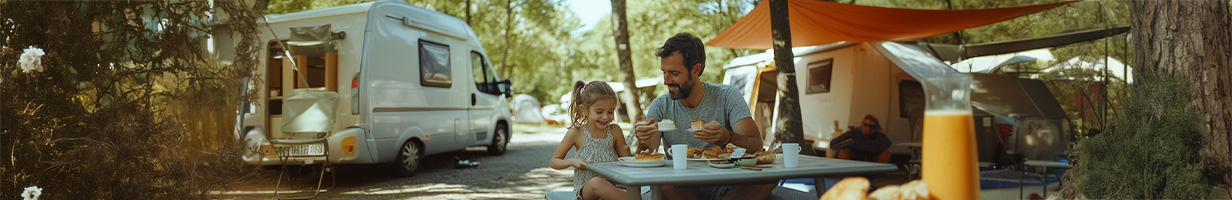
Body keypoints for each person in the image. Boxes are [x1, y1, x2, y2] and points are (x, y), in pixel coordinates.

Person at [632, 32, 774, 200]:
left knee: (768, 179)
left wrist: (727, 137)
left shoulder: (727, 96)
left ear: (696, 70)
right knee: (661, 184)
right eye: (664, 72)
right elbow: (649, 156)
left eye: (674, 73)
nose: (666, 81)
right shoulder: (661, 105)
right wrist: (642, 141)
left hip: (725, 181)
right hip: (680, 185)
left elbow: (756, 145)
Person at [550, 81, 633, 200]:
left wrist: (630, 150)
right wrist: (572, 161)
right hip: (587, 190)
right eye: (599, 112)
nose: (606, 117)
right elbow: (554, 161)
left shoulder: (615, 131)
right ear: (584, 110)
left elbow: (626, 161)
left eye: (610, 111)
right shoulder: (576, 133)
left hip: (614, 185)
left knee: (635, 185)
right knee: (596, 183)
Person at [828, 114, 892, 163]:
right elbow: (833, 144)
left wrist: (861, 144)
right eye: (865, 125)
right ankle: (847, 172)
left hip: (870, 158)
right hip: (854, 158)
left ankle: (878, 172)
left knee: (886, 152)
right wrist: (852, 143)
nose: (867, 127)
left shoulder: (878, 136)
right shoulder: (853, 133)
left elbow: (887, 144)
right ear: (862, 124)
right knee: (844, 151)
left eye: (870, 126)